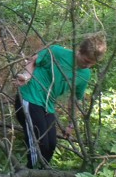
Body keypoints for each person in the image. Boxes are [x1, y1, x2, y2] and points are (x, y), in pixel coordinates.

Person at [15, 34, 107, 169]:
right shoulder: (57, 52)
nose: (88, 65)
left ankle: (42, 175)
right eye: (86, 60)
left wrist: (71, 124)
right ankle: (29, 174)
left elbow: (75, 99)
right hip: (30, 97)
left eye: (92, 63)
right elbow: (33, 60)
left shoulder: (85, 74)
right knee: (39, 142)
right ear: (79, 51)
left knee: (51, 144)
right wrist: (26, 76)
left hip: (47, 106)